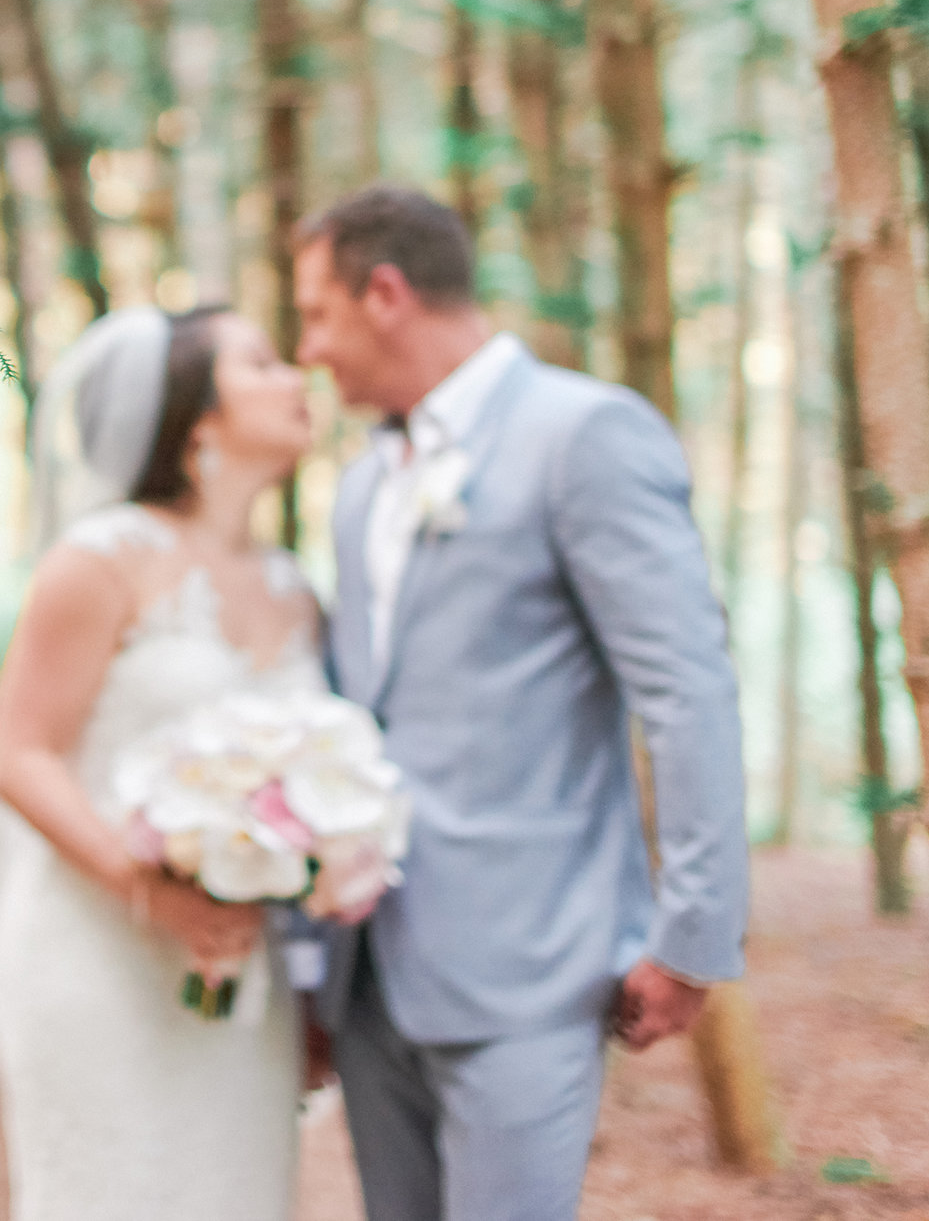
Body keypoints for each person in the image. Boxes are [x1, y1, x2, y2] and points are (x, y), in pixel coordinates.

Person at [291, 184, 752, 1221]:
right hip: (367, 980)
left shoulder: (583, 433)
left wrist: (691, 931)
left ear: (386, 293)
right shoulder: (362, 482)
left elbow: (684, 687)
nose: (308, 350)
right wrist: (312, 957)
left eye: (316, 315)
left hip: (529, 972)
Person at [0, 303, 330, 1221]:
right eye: (262, 361)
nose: (296, 377)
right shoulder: (101, 560)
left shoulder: (297, 591)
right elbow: (20, 757)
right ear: (199, 417)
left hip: (237, 966)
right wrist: (149, 888)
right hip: (98, 948)